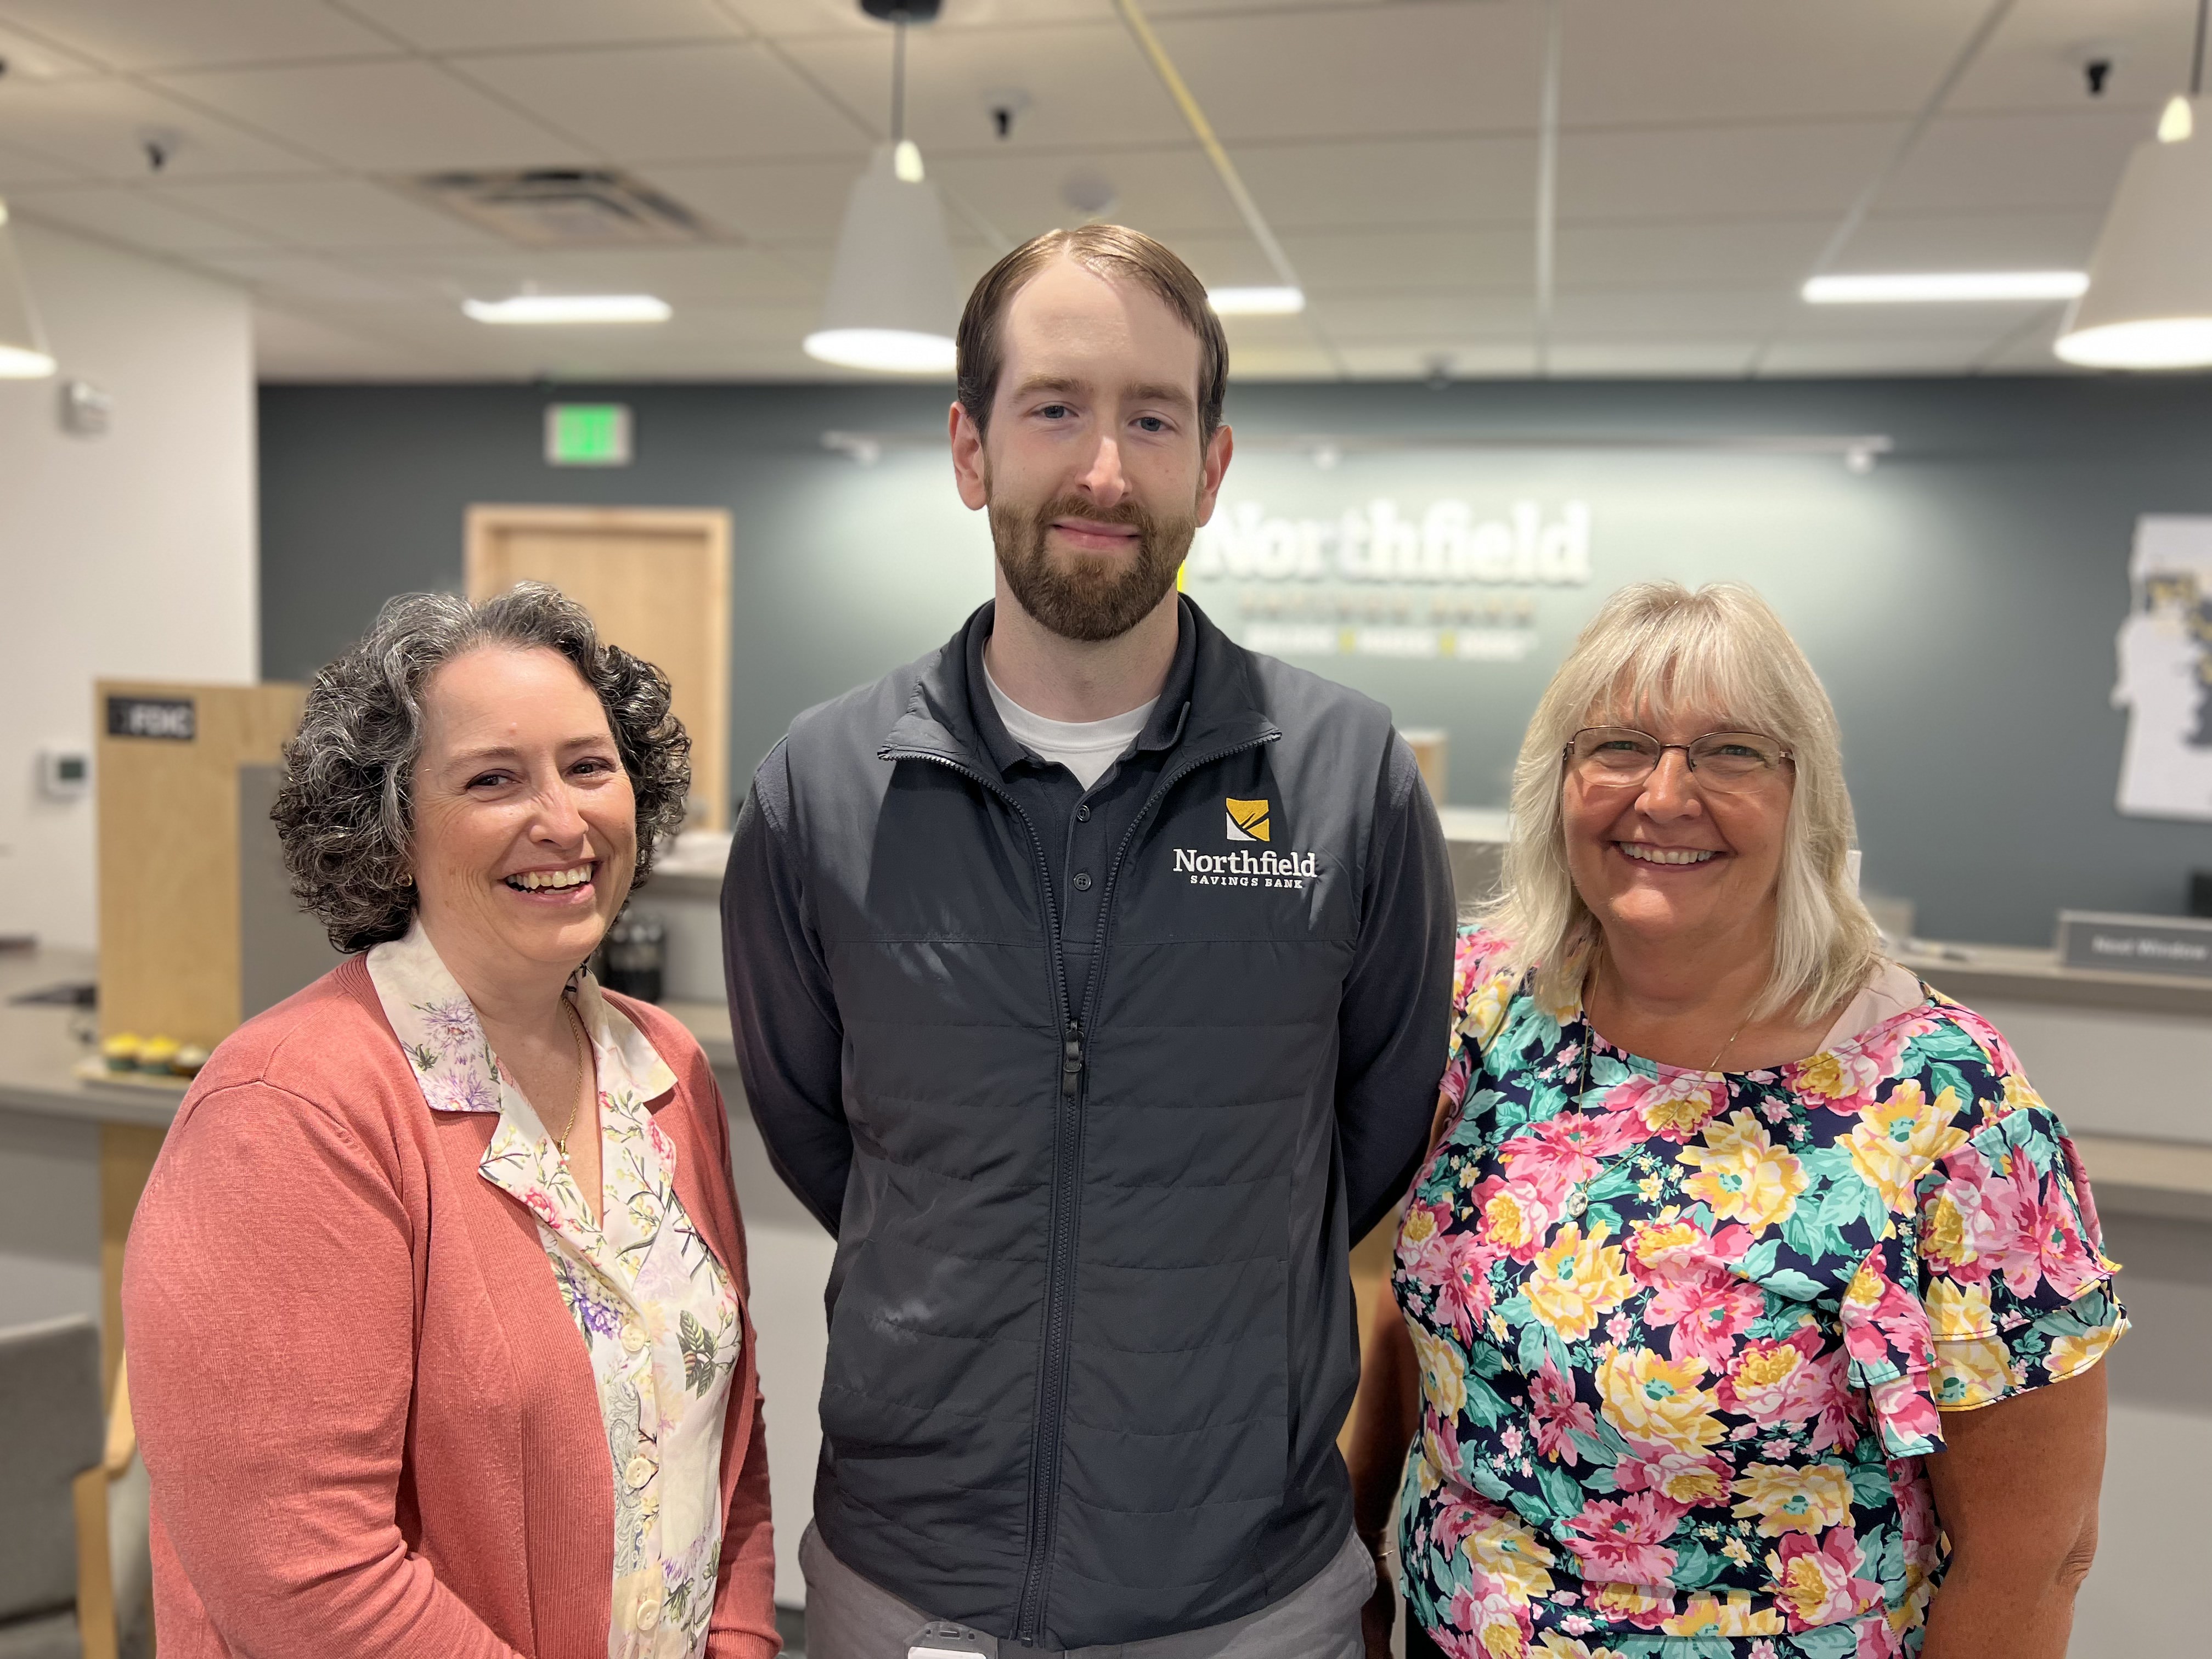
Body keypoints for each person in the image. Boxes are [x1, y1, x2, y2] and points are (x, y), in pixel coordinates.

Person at [722, 224, 1457, 1655]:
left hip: (1247, 1592)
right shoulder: (822, 789)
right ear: (969, 449)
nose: (1106, 468)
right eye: (1055, 407)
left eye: (1151, 417)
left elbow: (1366, 1140)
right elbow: (826, 1138)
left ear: (1214, 466)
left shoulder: (1344, 775)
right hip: (906, 1582)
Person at [1346, 580, 2125, 1659]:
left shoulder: (1950, 1104)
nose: (1664, 797)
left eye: (1730, 753)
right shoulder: (1487, 1005)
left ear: (1807, 798)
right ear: (1558, 784)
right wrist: (1361, 1568)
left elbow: (2036, 1557)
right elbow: (1416, 1308)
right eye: (1618, 746)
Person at [123, 584, 778, 1659]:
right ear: (390, 829)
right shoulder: (290, 1112)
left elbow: (728, 1437)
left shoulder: (662, 1070)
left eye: (588, 766)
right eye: (493, 780)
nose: (562, 821)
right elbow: (305, 1580)